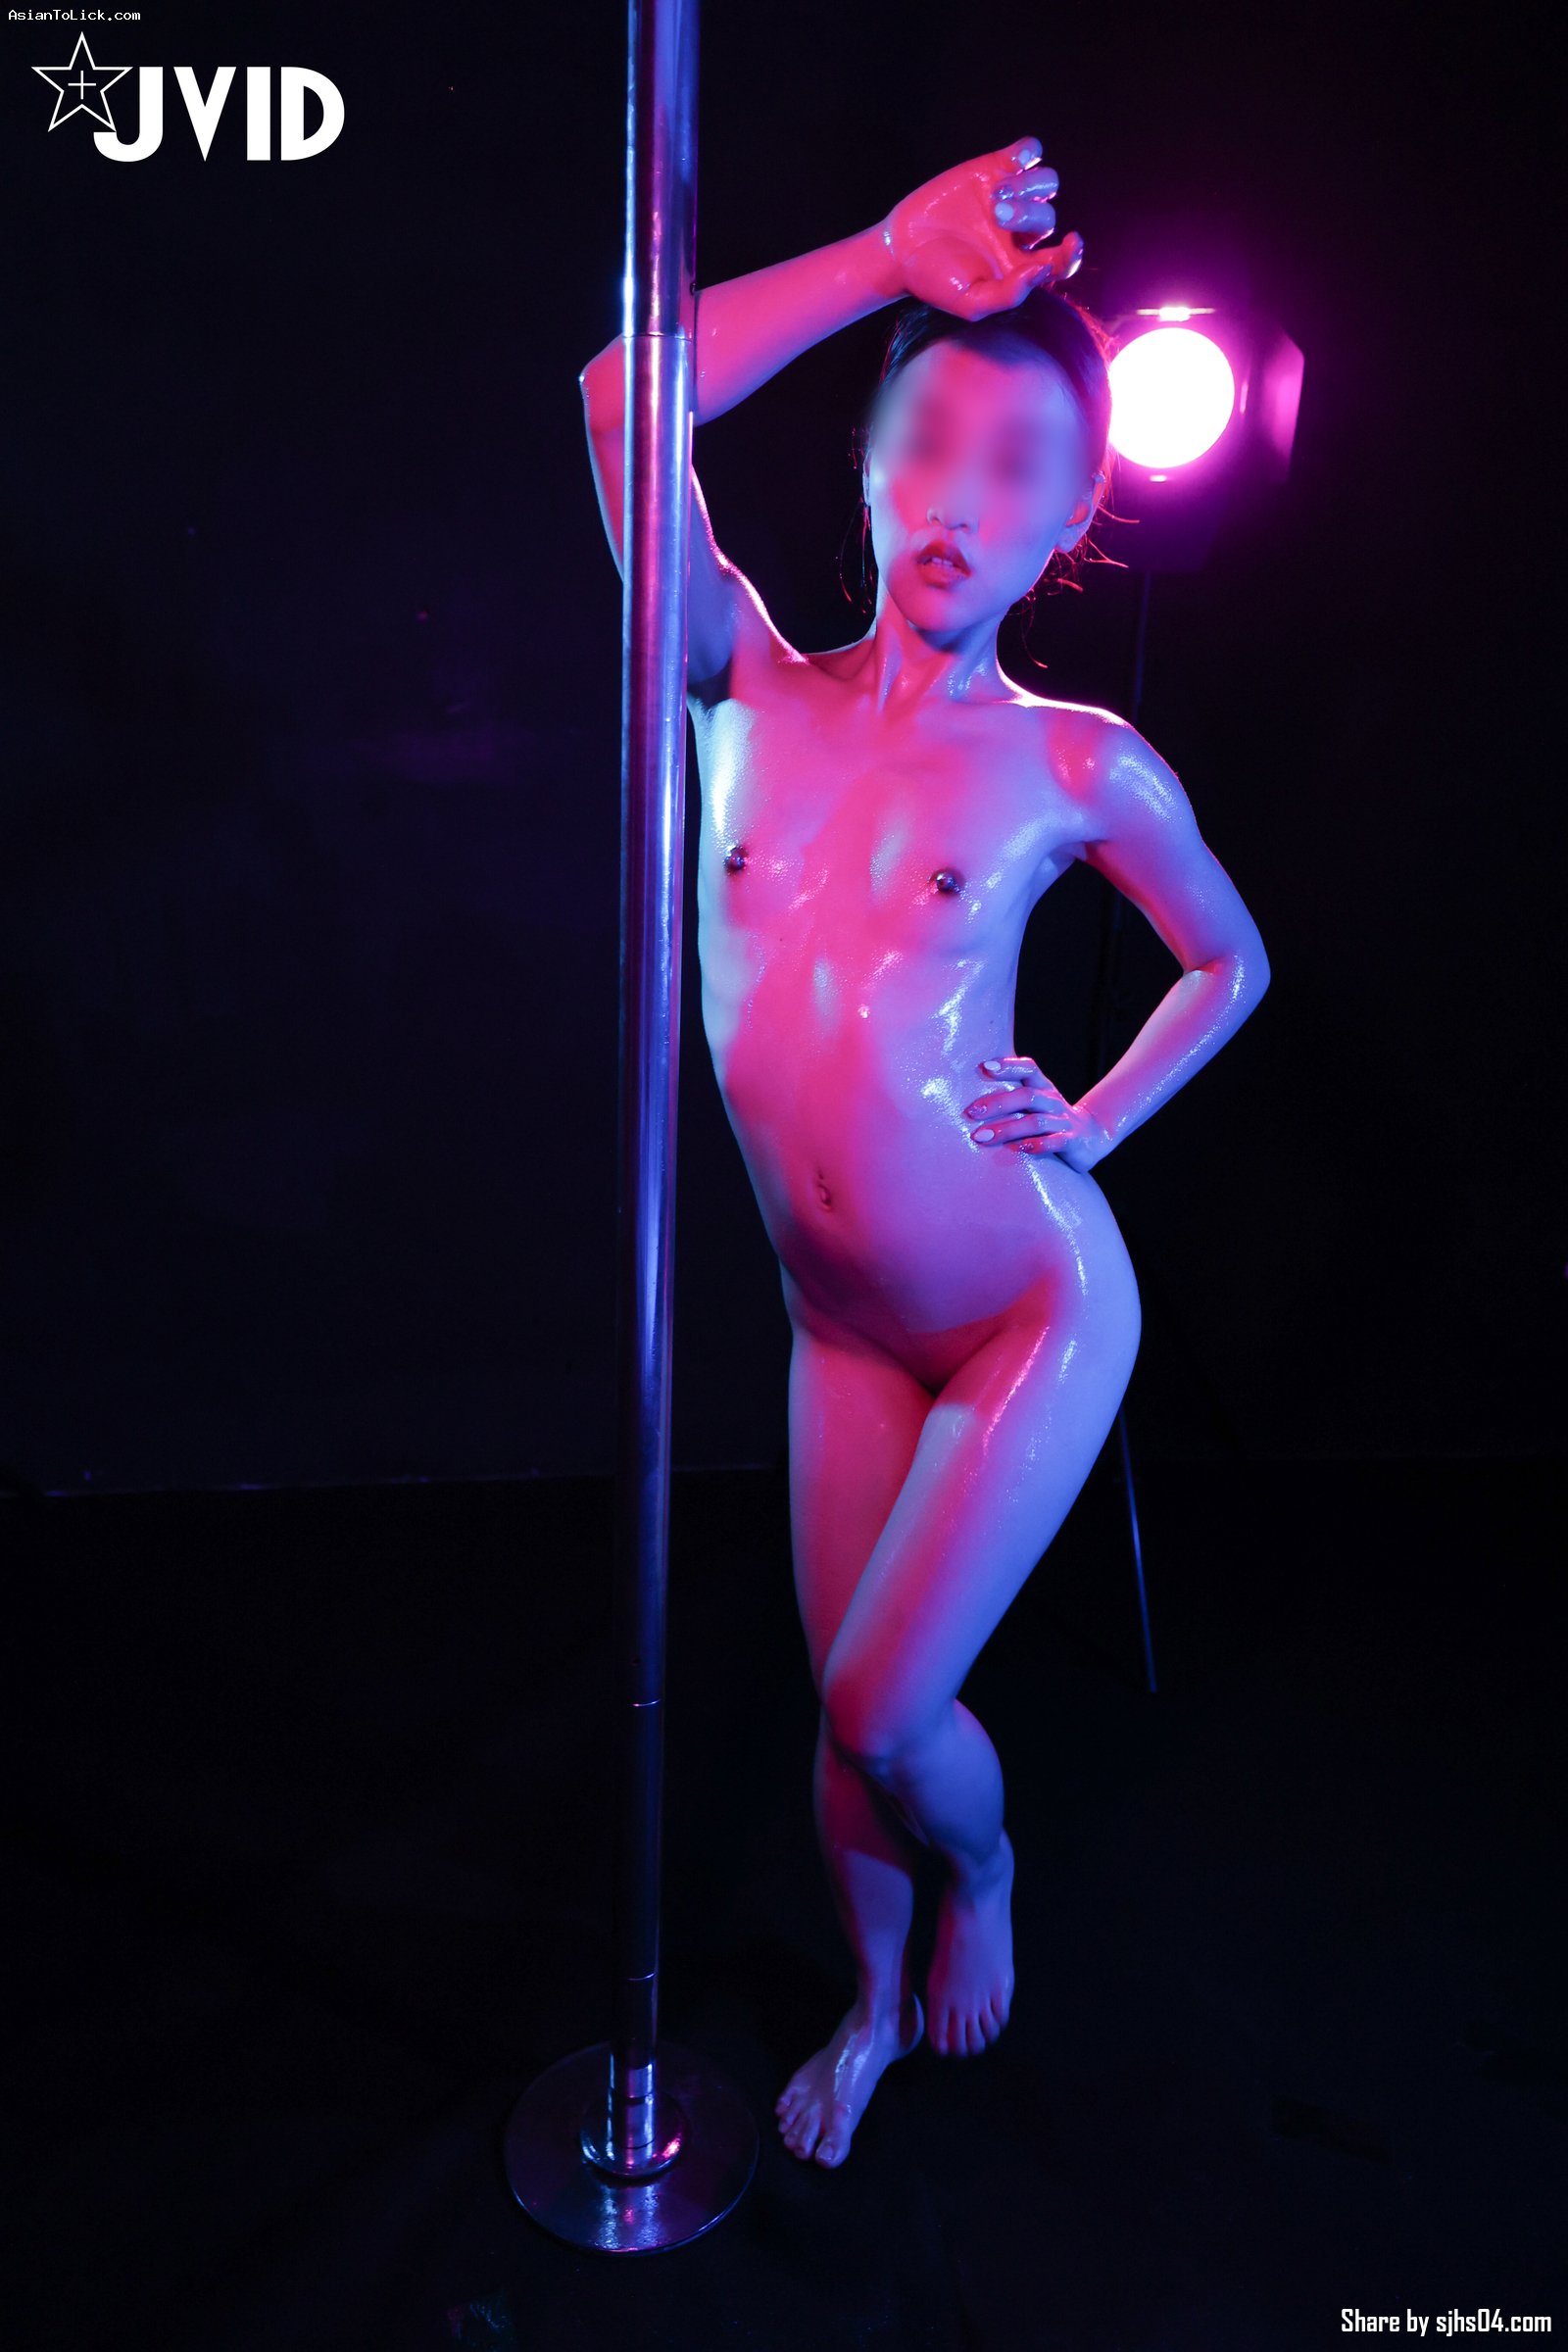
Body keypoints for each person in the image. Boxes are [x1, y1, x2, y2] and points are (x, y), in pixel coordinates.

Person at [578, 134, 1271, 2172]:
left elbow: (1227, 962)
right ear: (872, 469)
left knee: (888, 1708)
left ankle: (985, 1878)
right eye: (932, 443)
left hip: (1023, 1304)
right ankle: (873, 2009)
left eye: (1015, 467)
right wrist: (892, 258)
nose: (963, 496)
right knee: (838, 1717)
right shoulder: (733, 680)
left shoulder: (1072, 758)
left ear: (1068, 518)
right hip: (837, 1325)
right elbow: (621, 397)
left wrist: (1095, 1122)